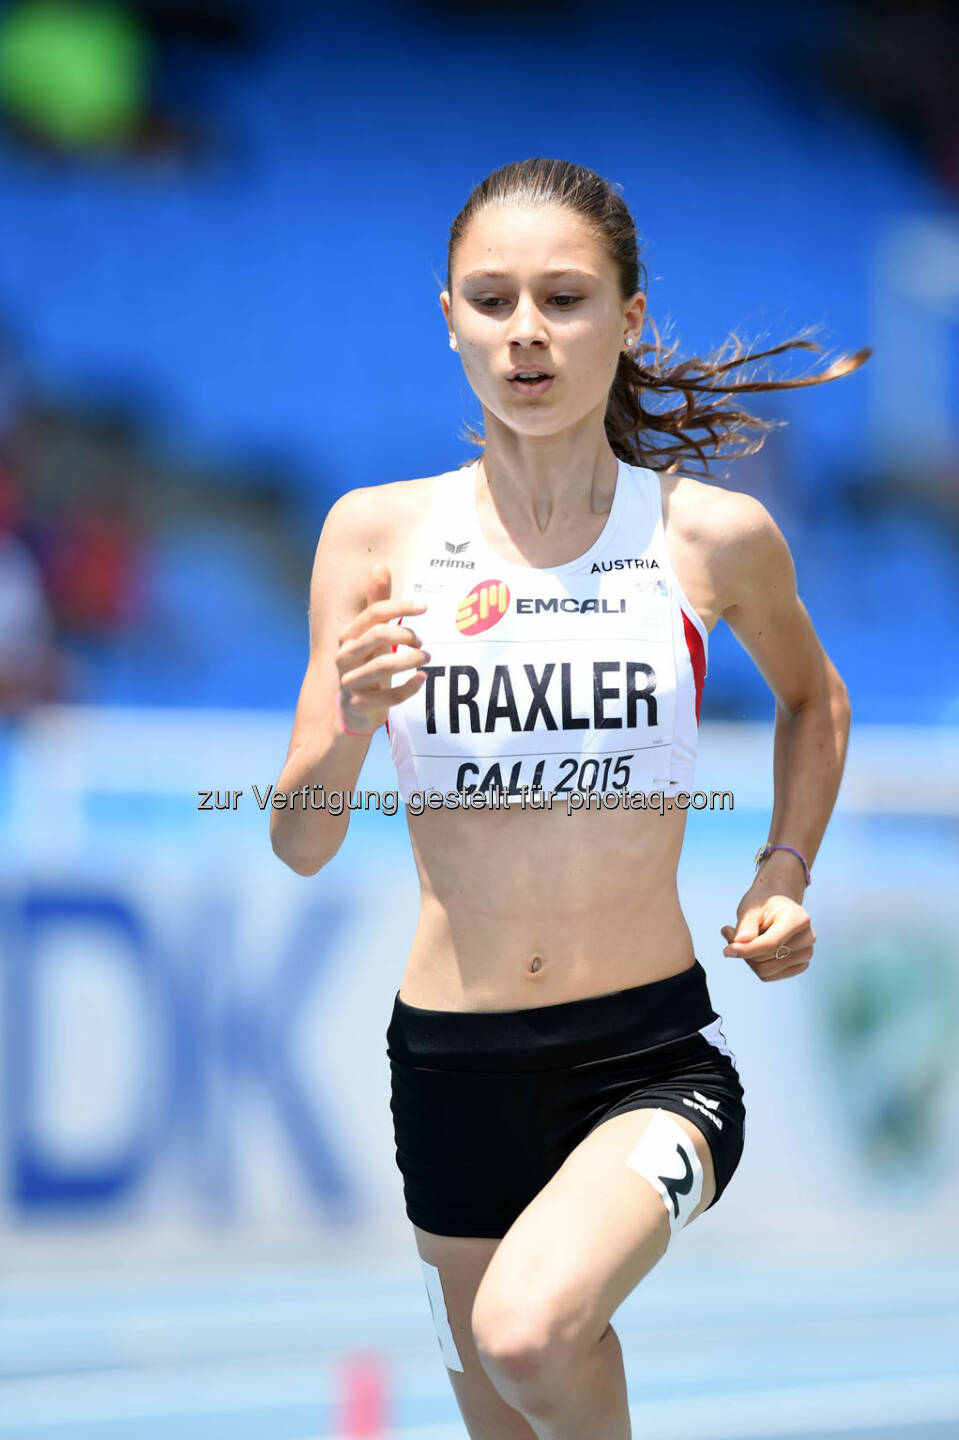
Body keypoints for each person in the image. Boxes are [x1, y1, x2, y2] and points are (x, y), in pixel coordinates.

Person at [270, 158, 862, 1439]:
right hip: (449, 1066)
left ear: (629, 316)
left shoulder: (707, 538)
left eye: (563, 297)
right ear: (446, 318)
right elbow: (301, 840)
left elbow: (816, 702)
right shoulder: (371, 538)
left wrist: (782, 869)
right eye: (489, 300)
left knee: (531, 1334)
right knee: (510, 1416)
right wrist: (354, 720)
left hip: (645, 1060)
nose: (524, 332)